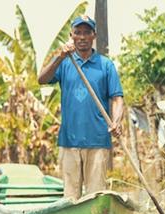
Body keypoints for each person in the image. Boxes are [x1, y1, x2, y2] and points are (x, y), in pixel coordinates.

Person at [38, 14, 124, 201]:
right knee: (70, 198)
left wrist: (116, 122)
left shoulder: (105, 65)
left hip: (98, 141)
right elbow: (41, 79)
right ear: (71, 36)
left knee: (96, 196)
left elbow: (117, 98)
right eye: (78, 33)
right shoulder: (64, 63)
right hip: (69, 141)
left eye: (87, 32)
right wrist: (59, 57)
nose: (82, 37)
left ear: (94, 36)